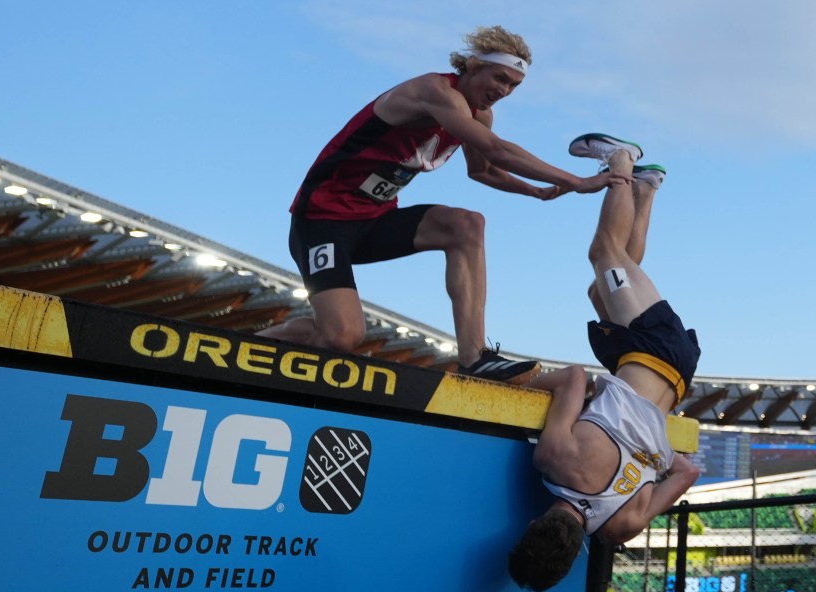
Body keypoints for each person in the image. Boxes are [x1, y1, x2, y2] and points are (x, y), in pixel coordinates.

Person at [259, 26, 618, 385]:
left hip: (374, 221)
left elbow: (483, 170)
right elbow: (496, 150)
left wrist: (535, 192)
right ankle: (253, 343)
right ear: (474, 64)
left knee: (466, 224)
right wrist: (575, 180)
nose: (503, 91)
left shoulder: (479, 116)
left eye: (513, 86)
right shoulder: (433, 91)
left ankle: (475, 357)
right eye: (500, 78)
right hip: (323, 222)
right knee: (340, 337)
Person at [508, 133, 702, 592]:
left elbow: (688, 470)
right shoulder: (554, 460)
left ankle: (646, 187)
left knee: (604, 289)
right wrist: (520, 385)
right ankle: (622, 160)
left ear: (575, 555)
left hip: (674, 376)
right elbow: (574, 377)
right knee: (603, 255)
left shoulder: (619, 528)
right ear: (532, 526)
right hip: (650, 351)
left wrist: (648, 450)